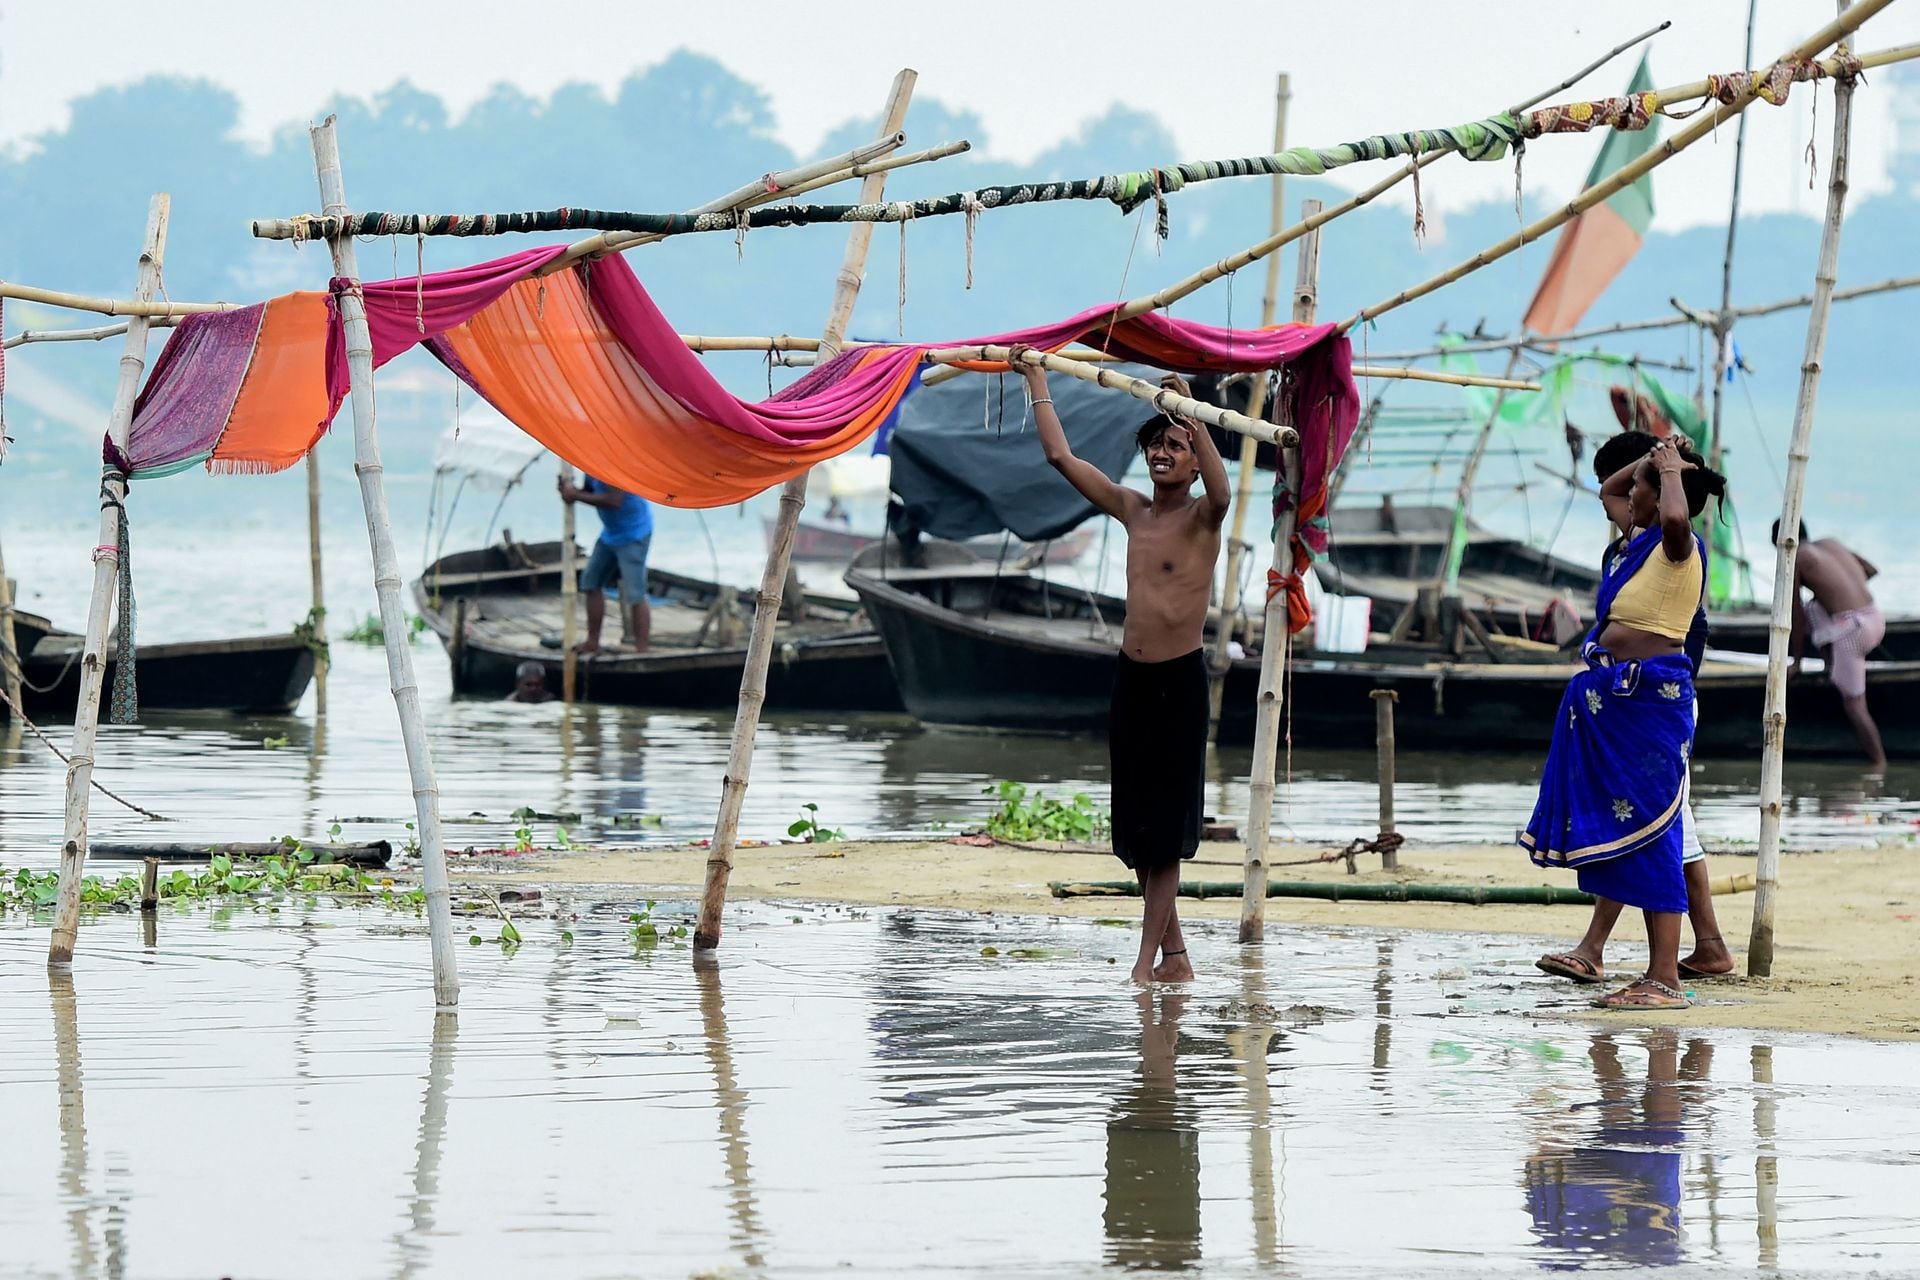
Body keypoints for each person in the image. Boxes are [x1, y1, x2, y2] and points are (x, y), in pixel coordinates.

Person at [1013, 344, 1229, 985]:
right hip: (1132, 682)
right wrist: (1037, 379)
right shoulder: (1133, 511)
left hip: (1178, 684)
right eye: (1156, 445)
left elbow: (1221, 485)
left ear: (1191, 459)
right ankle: (1177, 958)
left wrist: (1194, 414)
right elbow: (1061, 457)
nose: (1164, 454)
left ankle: (1144, 966)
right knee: (1138, 828)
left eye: (1176, 446)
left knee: (1165, 831)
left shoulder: (1203, 518)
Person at [1520, 434, 1727, 1010]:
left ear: (1661, 501)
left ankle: (1665, 979)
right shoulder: (1637, 541)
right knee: (1638, 830)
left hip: (1650, 702)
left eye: (1640, 490)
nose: (1626, 498)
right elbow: (1609, 489)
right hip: (1616, 699)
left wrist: (1667, 475)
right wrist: (1653, 459)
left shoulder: (1675, 548)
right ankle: (1644, 965)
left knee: (1659, 832)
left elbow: (1677, 517)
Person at [1775, 518, 1886, 768]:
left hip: (1853, 632)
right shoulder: (1830, 543)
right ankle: (1832, 668)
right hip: (1875, 617)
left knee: (1855, 705)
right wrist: (1838, 591)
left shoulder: (1796, 560)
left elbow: (1796, 615)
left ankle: (1879, 765)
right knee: (1815, 605)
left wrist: (1797, 662)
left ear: (1782, 544)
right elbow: (1871, 569)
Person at [559, 473, 653, 655]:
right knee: (590, 582)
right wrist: (569, 491)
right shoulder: (590, 465)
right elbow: (588, 491)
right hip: (610, 534)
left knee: (635, 593)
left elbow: (614, 500)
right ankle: (592, 642)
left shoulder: (614, 464)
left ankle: (642, 649)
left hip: (634, 533)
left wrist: (575, 496)